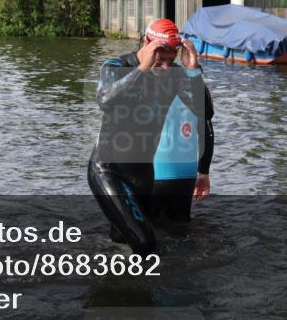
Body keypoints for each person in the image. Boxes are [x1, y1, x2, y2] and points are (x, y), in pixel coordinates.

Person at [88, 19, 215, 255]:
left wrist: (193, 71)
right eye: (160, 57)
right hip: (109, 169)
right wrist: (142, 68)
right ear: (147, 43)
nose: (166, 66)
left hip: (144, 174)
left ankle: (121, 286)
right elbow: (105, 100)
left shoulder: (175, 75)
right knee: (145, 244)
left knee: (123, 243)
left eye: (171, 59)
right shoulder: (116, 65)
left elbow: (205, 113)